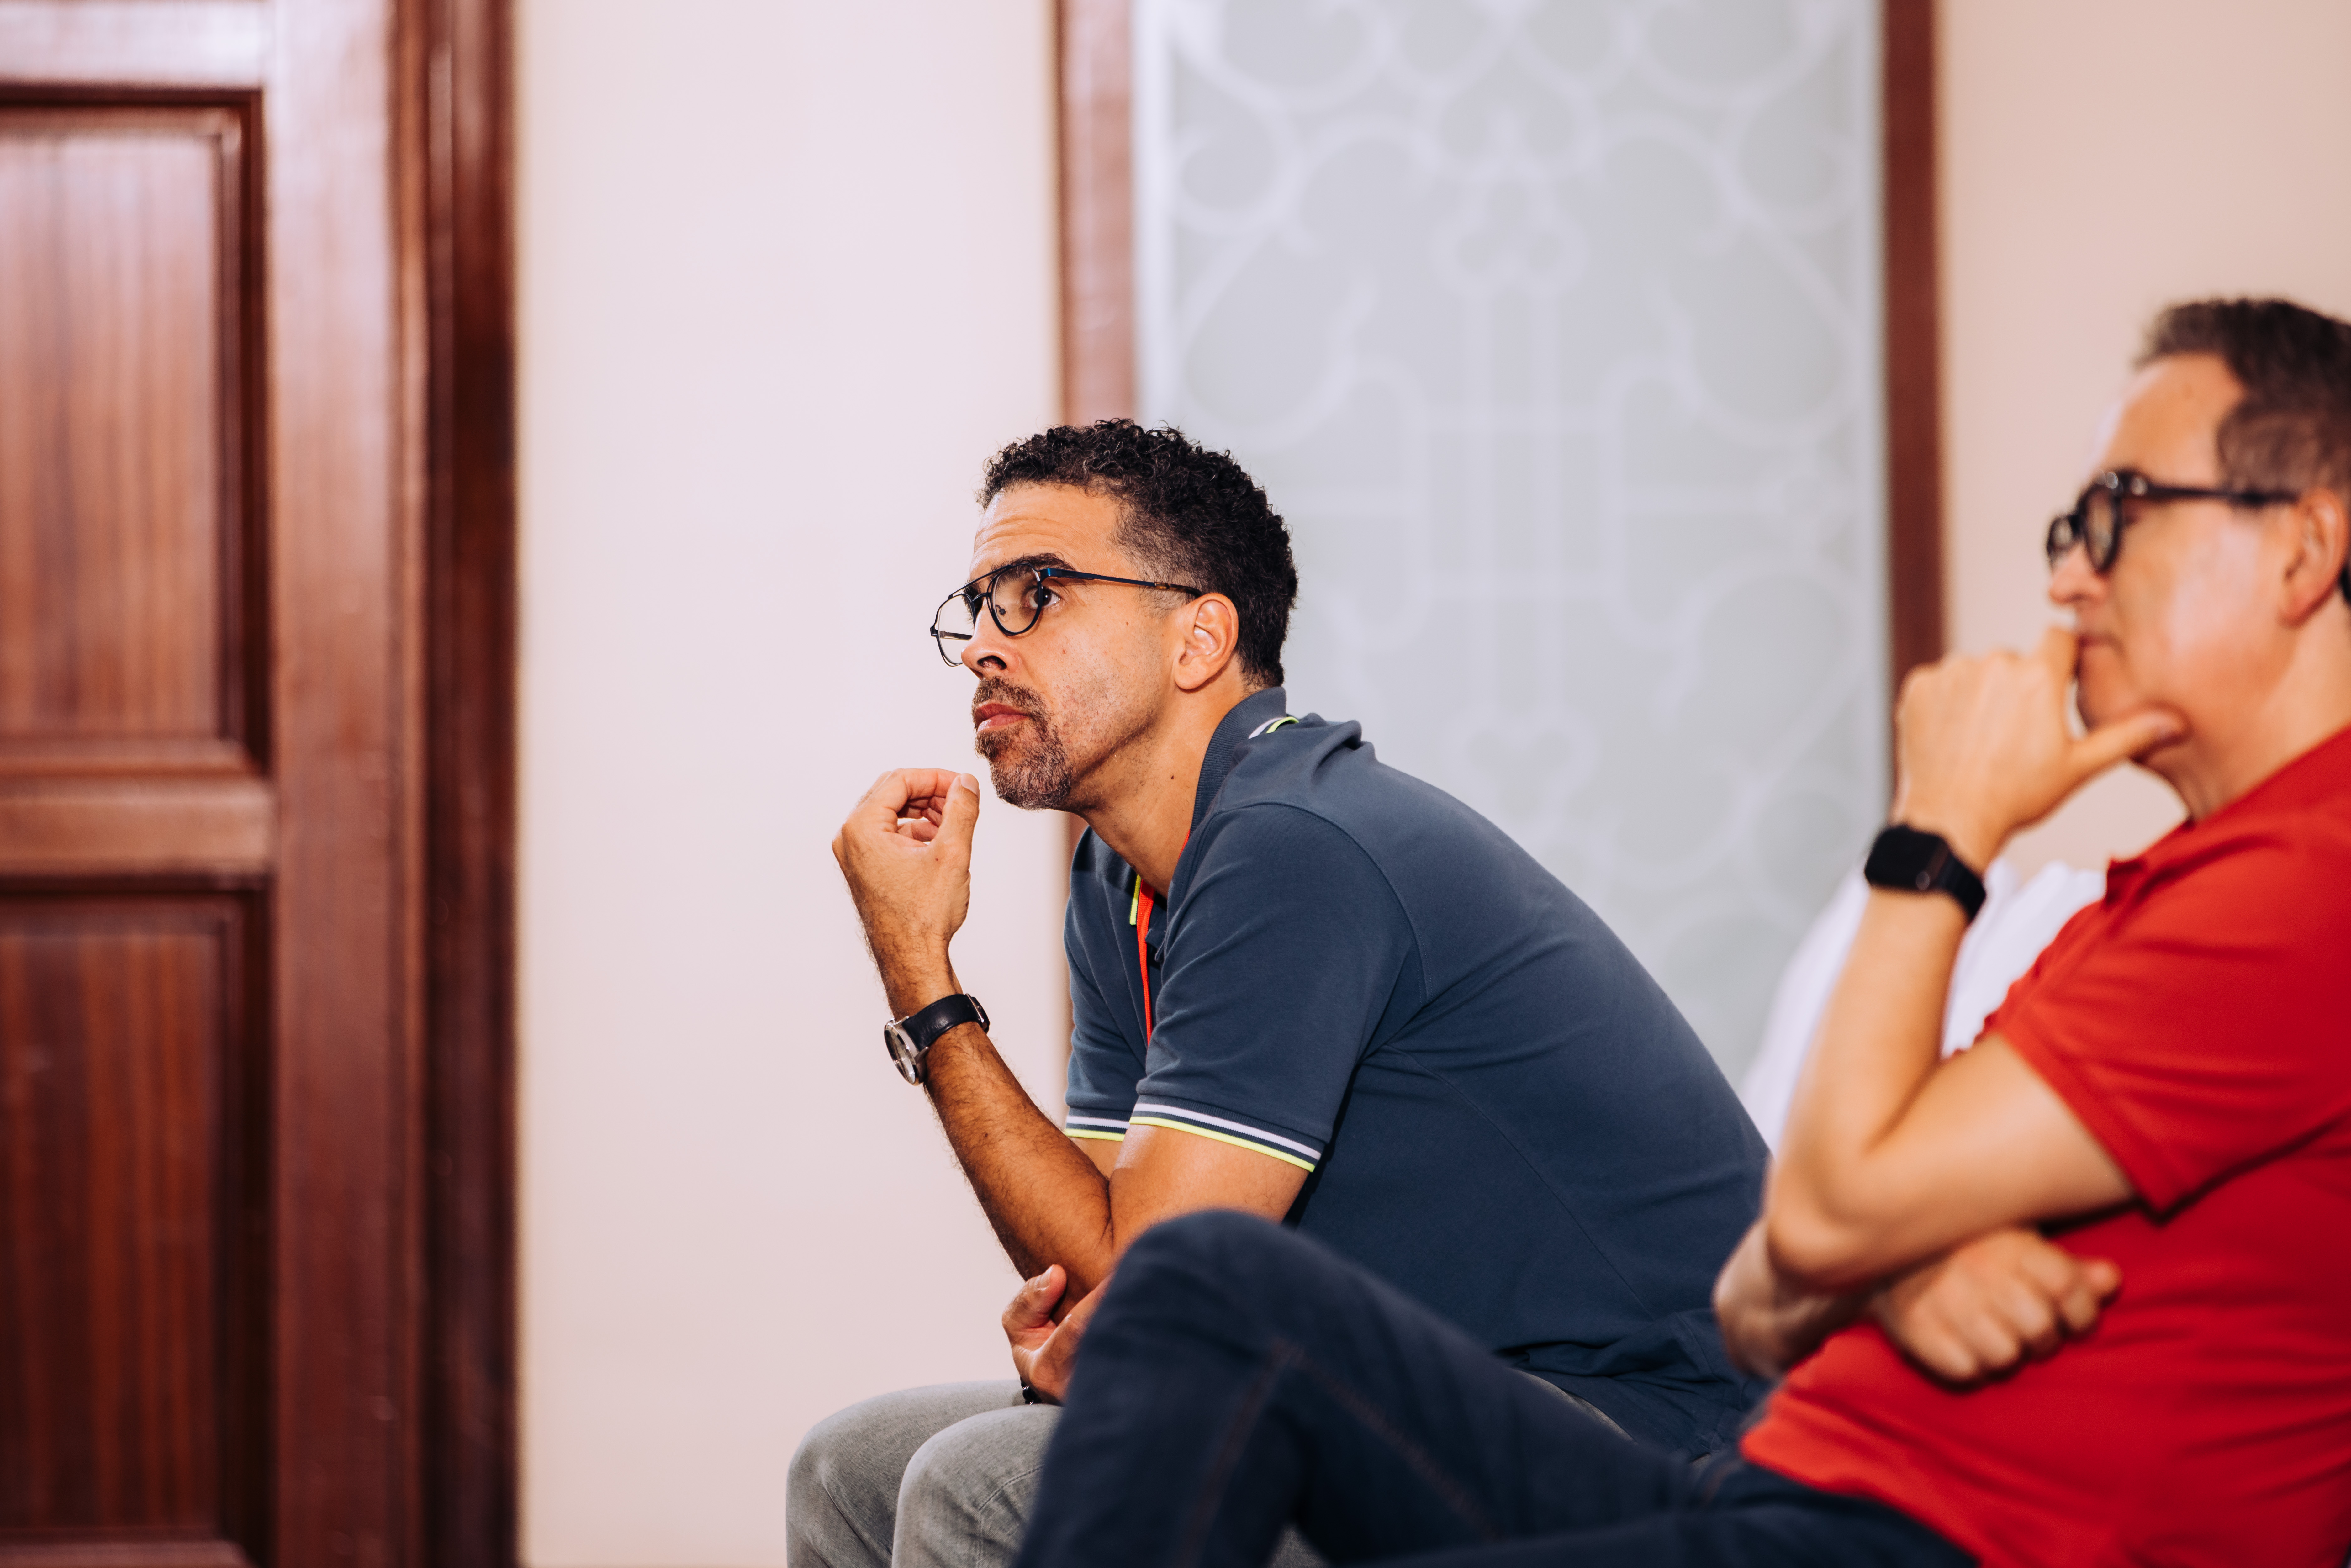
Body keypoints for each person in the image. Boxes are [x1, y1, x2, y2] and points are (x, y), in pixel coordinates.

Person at [1005, 297, 2351, 1568]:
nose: (2069, 578)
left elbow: (1823, 1217)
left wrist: (1939, 834)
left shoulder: (2309, 890)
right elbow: (1769, 1281)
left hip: (1910, 1541)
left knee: (1203, 1290)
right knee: (1209, 1294)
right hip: (1762, 1496)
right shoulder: (2150, 903)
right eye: (2073, 526)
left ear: (2303, 546)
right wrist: (1886, 1263)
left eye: (2123, 514)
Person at [794, 423, 1773, 1568]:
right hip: (1391, 1390)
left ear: (1199, 637)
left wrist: (921, 974)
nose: (981, 649)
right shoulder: (1119, 878)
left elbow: (1142, 1269)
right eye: (979, 606)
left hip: (1649, 1436)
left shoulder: (1297, 842)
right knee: (847, 1465)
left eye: (1037, 594)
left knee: (984, 1483)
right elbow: (1093, 1260)